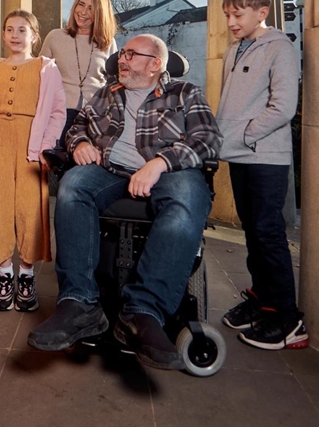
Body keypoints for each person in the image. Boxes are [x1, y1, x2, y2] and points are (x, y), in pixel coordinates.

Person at [27, 34, 221, 370]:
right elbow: (79, 125)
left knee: (189, 196)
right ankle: (80, 304)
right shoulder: (108, 93)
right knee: (73, 185)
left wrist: (159, 163)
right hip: (112, 170)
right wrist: (80, 143)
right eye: (122, 53)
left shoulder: (185, 94)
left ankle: (142, 312)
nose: (122, 59)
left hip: (168, 171)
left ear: (155, 64)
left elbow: (208, 139)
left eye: (131, 54)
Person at [215, 0, 307, 351]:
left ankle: (288, 318)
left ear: (262, 11)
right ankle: (261, 300)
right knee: (253, 231)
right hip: (239, 154)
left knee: (268, 232)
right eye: (227, 15)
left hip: (265, 157)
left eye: (238, 14)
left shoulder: (279, 48)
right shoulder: (235, 50)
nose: (231, 22)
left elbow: (283, 107)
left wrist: (246, 134)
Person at [0, 10, 66, 312]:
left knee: (29, 210)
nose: (14, 35)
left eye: (22, 30)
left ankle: (25, 276)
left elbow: (58, 112)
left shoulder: (45, 68)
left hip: (31, 147)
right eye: (9, 29)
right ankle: (4, 275)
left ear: (34, 36)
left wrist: (45, 147)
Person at [40, 0, 117, 142]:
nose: (83, 12)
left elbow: (114, 84)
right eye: (81, 4)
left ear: (100, 14)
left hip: (94, 118)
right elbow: (38, 76)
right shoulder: (55, 37)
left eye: (91, 8)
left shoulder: (108, 43)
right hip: (58, 114)